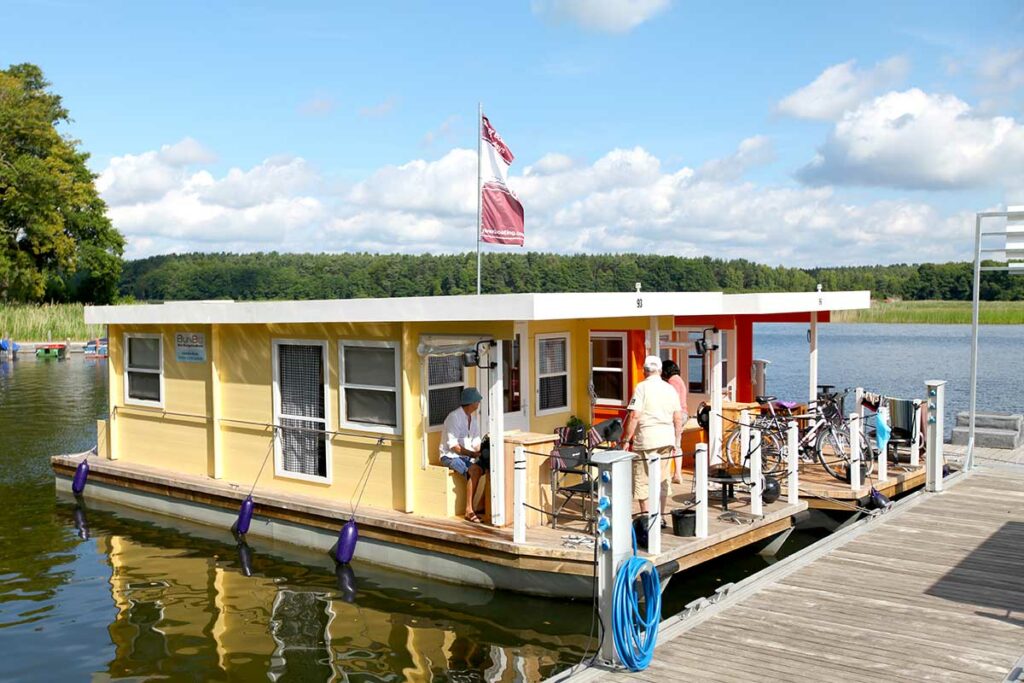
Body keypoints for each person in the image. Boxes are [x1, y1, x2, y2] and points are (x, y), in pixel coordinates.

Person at [619, 356, 683, 526]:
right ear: (660, 371)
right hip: (666, 439)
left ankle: (646, 517)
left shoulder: (641, 388)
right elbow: (678, 418)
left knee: (642, 479)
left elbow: (634, 416)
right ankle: (661, 516)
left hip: (646, 439)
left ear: (644, 371)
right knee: (663, 478)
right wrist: (676, 441)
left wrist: (626, 440)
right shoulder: (670, 389)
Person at [440, 387, 487, 523]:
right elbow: (453, 446)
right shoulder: (453, 417)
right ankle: (469, 510)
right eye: (477, 401)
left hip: (466, 456)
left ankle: (481, 506)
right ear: (471, 402)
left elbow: (476, 441)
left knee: (481, 469)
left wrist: (481, 450)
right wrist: (473, 453)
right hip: (450, 456)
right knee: (474, 471)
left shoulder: (472, 419)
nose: (478, 403)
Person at [661, 359, 690, 484]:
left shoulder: (672, 381)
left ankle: (667, 474)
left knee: (669, 445)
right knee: (677, 445)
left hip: (676, 415)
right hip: (683, 414)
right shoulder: (679, 380)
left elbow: (672, 400)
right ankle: (677, 473)